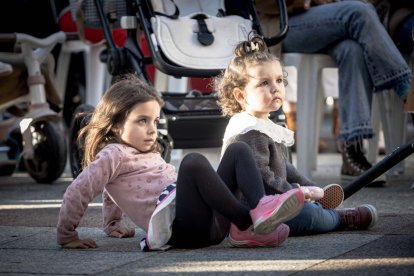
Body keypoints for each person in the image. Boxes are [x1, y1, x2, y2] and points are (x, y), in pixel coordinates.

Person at [56, 74, 306, 250]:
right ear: (116, 124)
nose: (152, 129)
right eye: (142, 121)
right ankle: (248, 223)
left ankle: (260, 208)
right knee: (193, 162)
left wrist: (112, 224)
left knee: (239, 150)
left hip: (208, 225)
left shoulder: (144, 153)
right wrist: (67, 235)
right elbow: (82, 188)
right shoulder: (113, 154)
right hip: (181, 232)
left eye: (155, 121)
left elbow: (111, 188)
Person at [215, 32, 378, 235]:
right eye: (264, 83)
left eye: (279, 80)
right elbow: (263, 178)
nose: (275, 88)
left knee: (305, 203)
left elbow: (287, 168)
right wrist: (296, 194)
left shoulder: (265, 125)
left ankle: (320, 206)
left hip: (277, 198)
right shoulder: (249, 131)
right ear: (240, 95)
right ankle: (339, 218)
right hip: (255, 210)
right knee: (308, 216)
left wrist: (312, 189)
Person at [255, 0, 412, 180]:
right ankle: (406, 88)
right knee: (358, 12)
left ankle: (352, 148)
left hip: (328, 19)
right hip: (283, 23)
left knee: (352, 50)